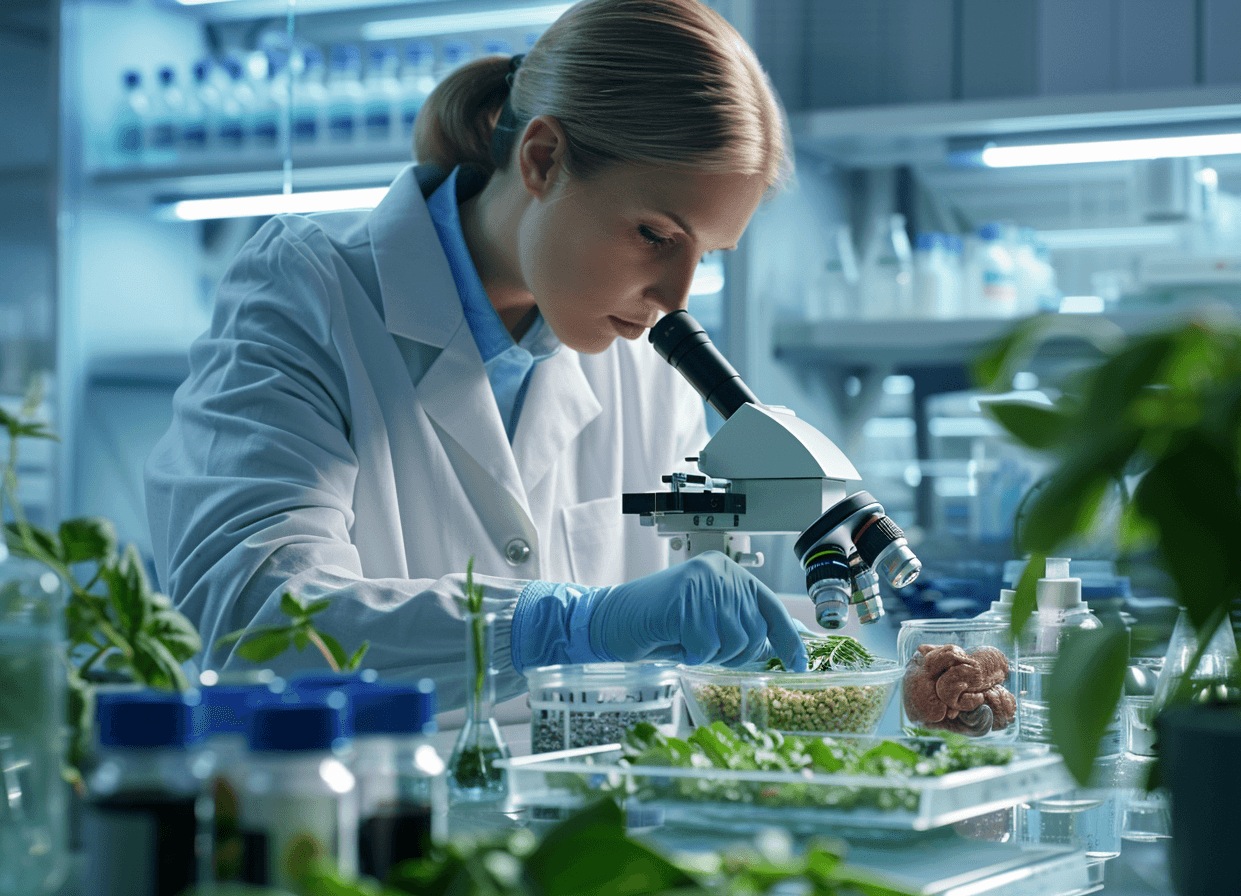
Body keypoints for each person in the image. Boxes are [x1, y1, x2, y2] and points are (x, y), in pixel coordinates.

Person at [144, 0, 806, 710]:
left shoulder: (646, 369)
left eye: (705, 255)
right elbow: (254, 619)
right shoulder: (312, 296)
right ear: (542, 160)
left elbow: (717, 634)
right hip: (370, 801)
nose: (675, 295)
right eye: (655, 235)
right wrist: (565, 626)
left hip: (591, 813)